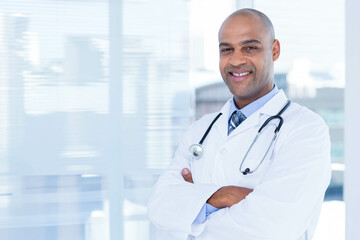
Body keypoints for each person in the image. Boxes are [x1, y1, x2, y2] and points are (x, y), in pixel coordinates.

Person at [148, 8, 331, 240]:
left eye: (250, 48)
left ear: (274, 50)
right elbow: (159, 206)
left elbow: (273, 226)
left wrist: (193, 205)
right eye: (227, 49)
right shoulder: (200, 130)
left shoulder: (306, 129)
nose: (236, 60)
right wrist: (225, 196)